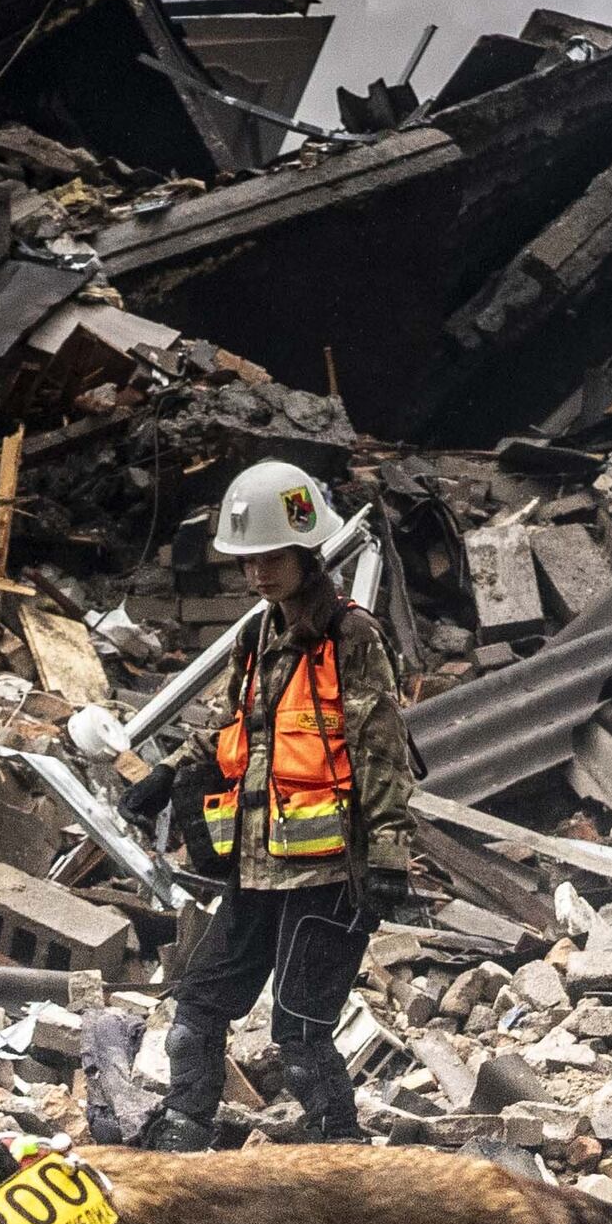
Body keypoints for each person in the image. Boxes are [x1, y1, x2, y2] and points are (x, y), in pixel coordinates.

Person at [117, 457, 414, 1148]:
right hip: (255, 868)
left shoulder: (351, 637)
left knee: (302, 1041)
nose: (257, 573)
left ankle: (345, 1163)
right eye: (248, 560)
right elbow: (235, 730)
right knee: (196, 1012)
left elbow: (381, 751)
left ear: (307, 550)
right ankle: (184, 1141)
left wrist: (391, 855)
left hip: (329, 873)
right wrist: (170, 771)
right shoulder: (255, 637)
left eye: (271, 556)